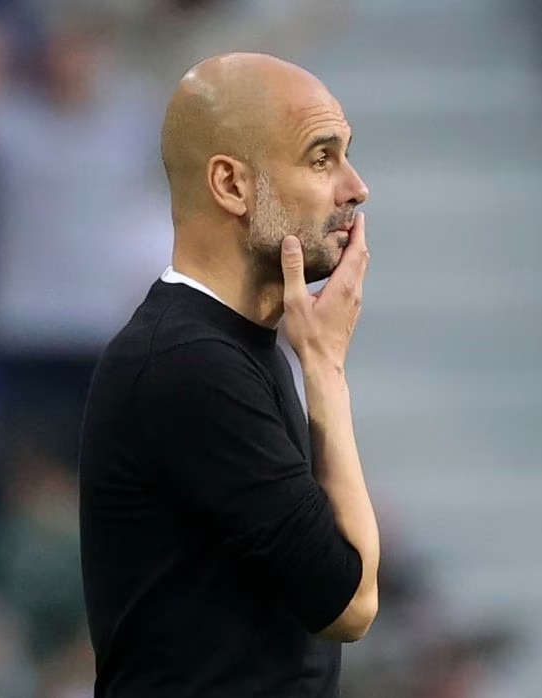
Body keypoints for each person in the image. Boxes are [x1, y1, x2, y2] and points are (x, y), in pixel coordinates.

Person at [78, 52, 380, 697]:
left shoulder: (237, 345)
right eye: (321, 158)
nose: (356, 188)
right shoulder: (186, 365)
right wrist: (325, 366)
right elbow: (347, 604)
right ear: (232, 185)